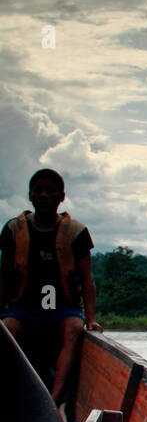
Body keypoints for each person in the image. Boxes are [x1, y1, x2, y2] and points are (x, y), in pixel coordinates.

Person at [0, 168, 101, 408]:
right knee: (6, 330)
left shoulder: (76, 233)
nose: (44, 195)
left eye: (50, 191)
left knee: (74, 329)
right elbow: (3, 275)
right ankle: (9, 398)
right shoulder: (14, 230)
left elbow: (87, 279)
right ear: (31, 196)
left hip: (62, 310)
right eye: (38, 191)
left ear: (61, 197)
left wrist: (90, 318)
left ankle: (53, 401)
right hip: (24, 309)